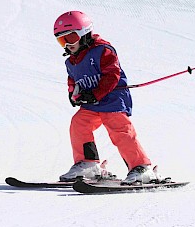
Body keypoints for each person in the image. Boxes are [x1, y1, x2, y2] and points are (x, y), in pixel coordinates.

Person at [53, 10, 161, 184]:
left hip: (113, 101)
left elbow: (112, 75)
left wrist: (95, 94)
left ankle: (141, 167)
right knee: (79, 124)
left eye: (70, 38)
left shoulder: (102, 50)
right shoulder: (71, 60)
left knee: (120, 131)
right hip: (92, 104)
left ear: (84, 33)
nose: (67, 44)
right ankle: (88, 164)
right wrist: (74, 94)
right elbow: (73, 79)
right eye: (61, 40)